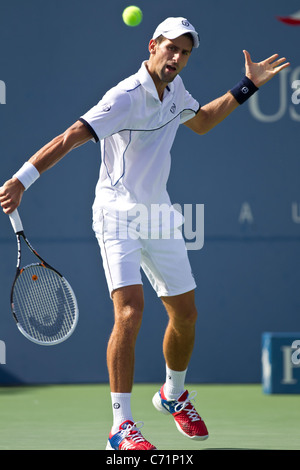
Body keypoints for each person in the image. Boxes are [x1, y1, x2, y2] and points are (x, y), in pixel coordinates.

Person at [0, 17, 289, 450]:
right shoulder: (124, 97)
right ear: (152, 45)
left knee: (186, 315)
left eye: (185, 52)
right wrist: (22, 179)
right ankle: (121, 427)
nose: (176, 58)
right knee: (129, 312)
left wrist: (248, 85)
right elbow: (72, 136)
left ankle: (172, 396)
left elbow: (203, 121)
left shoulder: (176, 92)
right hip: (116, 215)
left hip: (159, 215)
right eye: (171, 48)